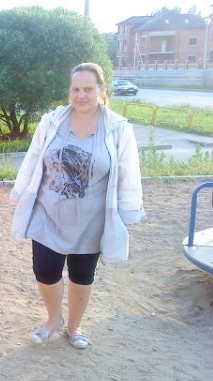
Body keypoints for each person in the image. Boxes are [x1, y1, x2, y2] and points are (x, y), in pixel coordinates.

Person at [10, 62, 144, 350]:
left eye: (88, 89)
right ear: (69, 91)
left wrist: (128, 210)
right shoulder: (52, 121)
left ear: (101, 90)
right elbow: (34, 157)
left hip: (91, 220)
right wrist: (21, 192)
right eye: (75, 89)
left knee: (82, 276)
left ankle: (74, 326)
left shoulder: (118, 128)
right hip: (48, 214)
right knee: (45, 271)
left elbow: (128, 171)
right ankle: (53, 319)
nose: (81, 95)